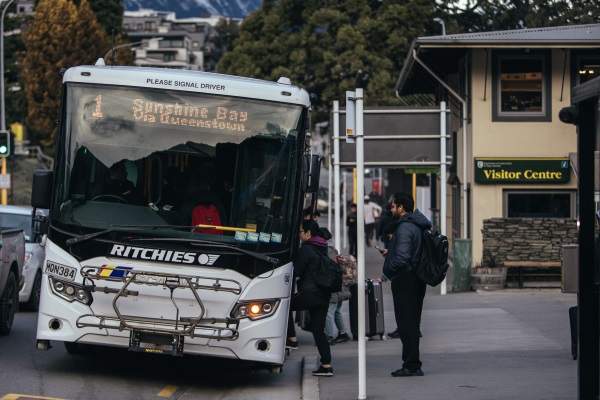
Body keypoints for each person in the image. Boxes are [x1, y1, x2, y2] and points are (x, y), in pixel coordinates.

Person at [376, 192, 431, 377]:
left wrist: (385, 274)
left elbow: (402, 258)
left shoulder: (406, 227)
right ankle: (412, 363)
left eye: (393, 206)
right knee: (412, 323)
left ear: (401, 207)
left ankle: (411, 365)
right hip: (415, 279)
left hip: (406, 280)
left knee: (407, 324)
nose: (391, 209)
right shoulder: (416, 225)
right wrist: (389, 252)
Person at [286, 219, 334, 377]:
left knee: (282, 306)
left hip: (309, 293)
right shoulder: (322, 247)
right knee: (318, 331)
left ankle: (290, 339)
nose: (299, 235)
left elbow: (297, 271)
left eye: (300, 232)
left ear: (308, 233)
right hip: (323, 295)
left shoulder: (306, 249)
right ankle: (326, 365)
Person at [326, 249, 355, 344]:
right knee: (337, 311)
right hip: (342, 285)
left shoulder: (327, 251)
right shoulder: (332, 249)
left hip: (335, 287)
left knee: (329, 312)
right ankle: (343, 333)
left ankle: (328, 336)